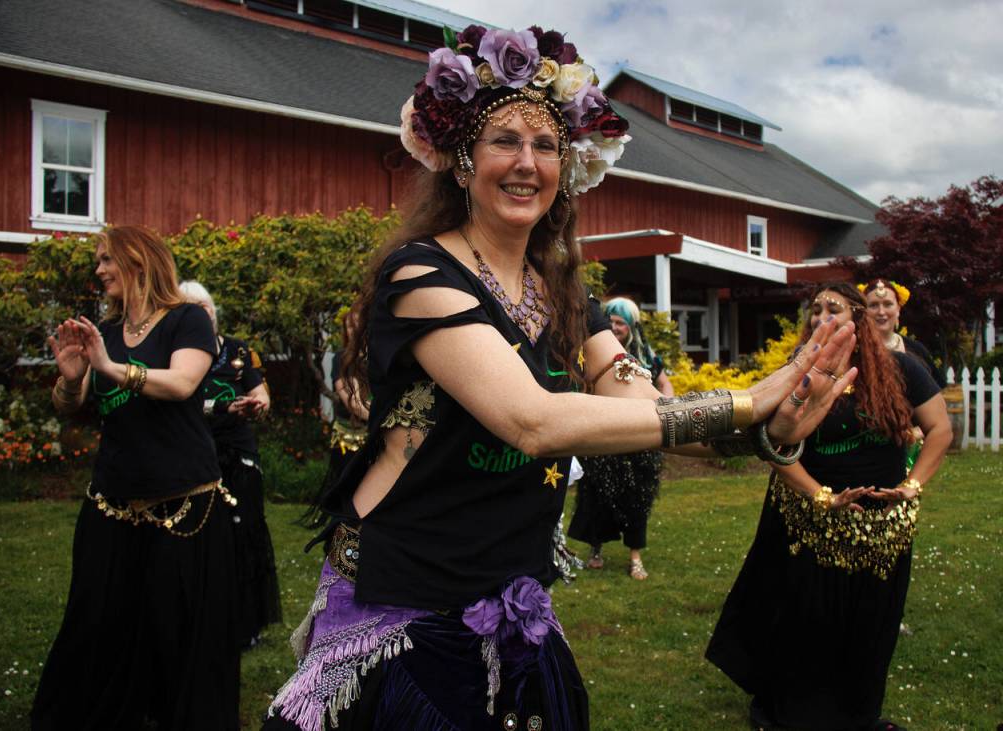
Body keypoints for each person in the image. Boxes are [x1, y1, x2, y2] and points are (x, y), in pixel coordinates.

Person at [264, 25, 857, 731]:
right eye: (504, 142)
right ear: (460, 161)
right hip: (410, 596)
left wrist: (770, 428)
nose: (526, 163)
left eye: (545, 145)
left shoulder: (566, 296)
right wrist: (742, 402)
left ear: (566, 167)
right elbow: (532, 421)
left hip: (509, 591)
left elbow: (642, 410)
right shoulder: (423, 273)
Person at [706, 282, 951, 731]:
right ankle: (792, 713)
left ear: (857, 318)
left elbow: (940, 429)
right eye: (814, 310)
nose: (820, 317)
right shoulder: (796, 374)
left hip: (882, 527)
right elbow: (776, 449)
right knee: (807, 620)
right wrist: (823, 497)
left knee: (872, 620)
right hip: (812, 519)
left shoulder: (902, 370)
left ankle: (858, 713)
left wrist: (912, 486)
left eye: (832, 309)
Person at [33, 226, 241, 729]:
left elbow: (183, 382)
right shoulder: (102, 334)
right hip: (112, 503)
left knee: (174, 628)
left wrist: (112, 366)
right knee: (98, 621)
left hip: (183, 505)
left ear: (139, 262)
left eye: (108, 259)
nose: (99, 269)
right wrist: (69, 376)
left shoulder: (186, 320)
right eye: (99, 260)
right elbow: (74, 405)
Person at [179, 280, 282, 647]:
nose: (201, 313)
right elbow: (181, 402)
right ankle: (200, 619)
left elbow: (262, 395)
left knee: (245, 534)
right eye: (191, 307)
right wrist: (222, 407)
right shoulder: (178, 354)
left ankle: (245, 623)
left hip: (238, 456)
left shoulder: (237, 351)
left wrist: (256, 404)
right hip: (194, 457)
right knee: (202, 540)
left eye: (205, 307)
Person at [568, 297, 673, 580]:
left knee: (637, 500)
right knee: (596, 496)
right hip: (603, 436)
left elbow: (664, 384)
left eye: (620, 323)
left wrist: (666, 411)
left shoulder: (646, 356)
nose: (614, 328)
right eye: (610, 321)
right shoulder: (591, 354)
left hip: (640, 441)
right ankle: (596, 549)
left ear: (632, 326)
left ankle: (635, 557)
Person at [298, 306, 370, 530]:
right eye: (349, 325)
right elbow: (352, 401)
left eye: (358, 324)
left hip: (376, 437)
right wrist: (385, 417)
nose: (354, 328)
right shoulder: (342, 359)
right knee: (347, 495)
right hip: (348, 438)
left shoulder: (380, 357)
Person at [860, 278, 946, 387]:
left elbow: (937, 392)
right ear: (864, 311)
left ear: (898, 309)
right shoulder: (855, 348)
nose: (881, 312)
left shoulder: (916, 350)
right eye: (873, 305)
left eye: (887, 304)